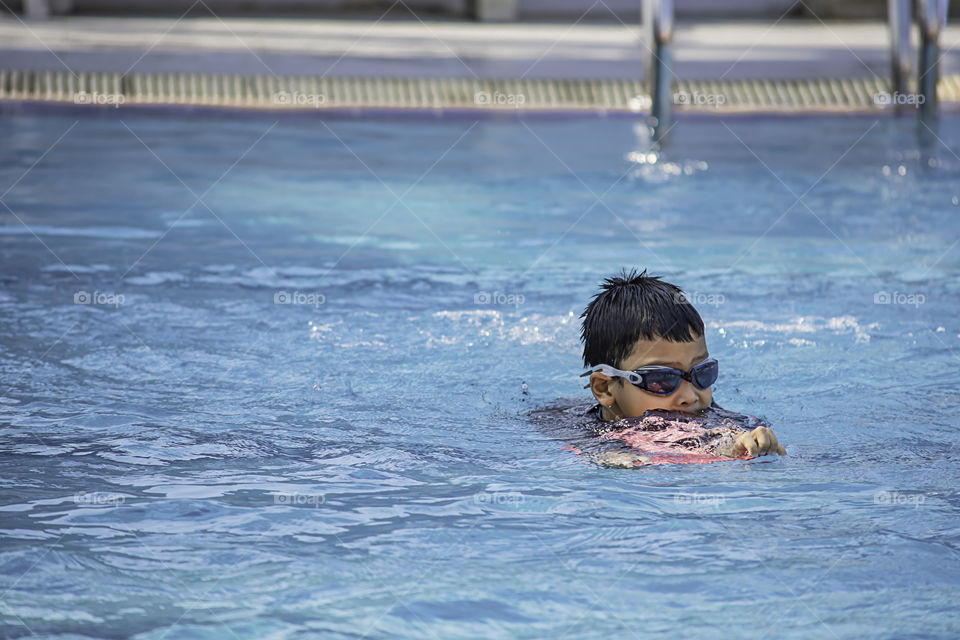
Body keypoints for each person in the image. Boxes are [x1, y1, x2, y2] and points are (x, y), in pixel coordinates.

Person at [579, 268, 785, 464]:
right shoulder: (579, 434)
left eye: (702, 373)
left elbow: (720, 440)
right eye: (662, 380)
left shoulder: (717, 419)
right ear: (604, 389)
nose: (690, 396)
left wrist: (741, 443)